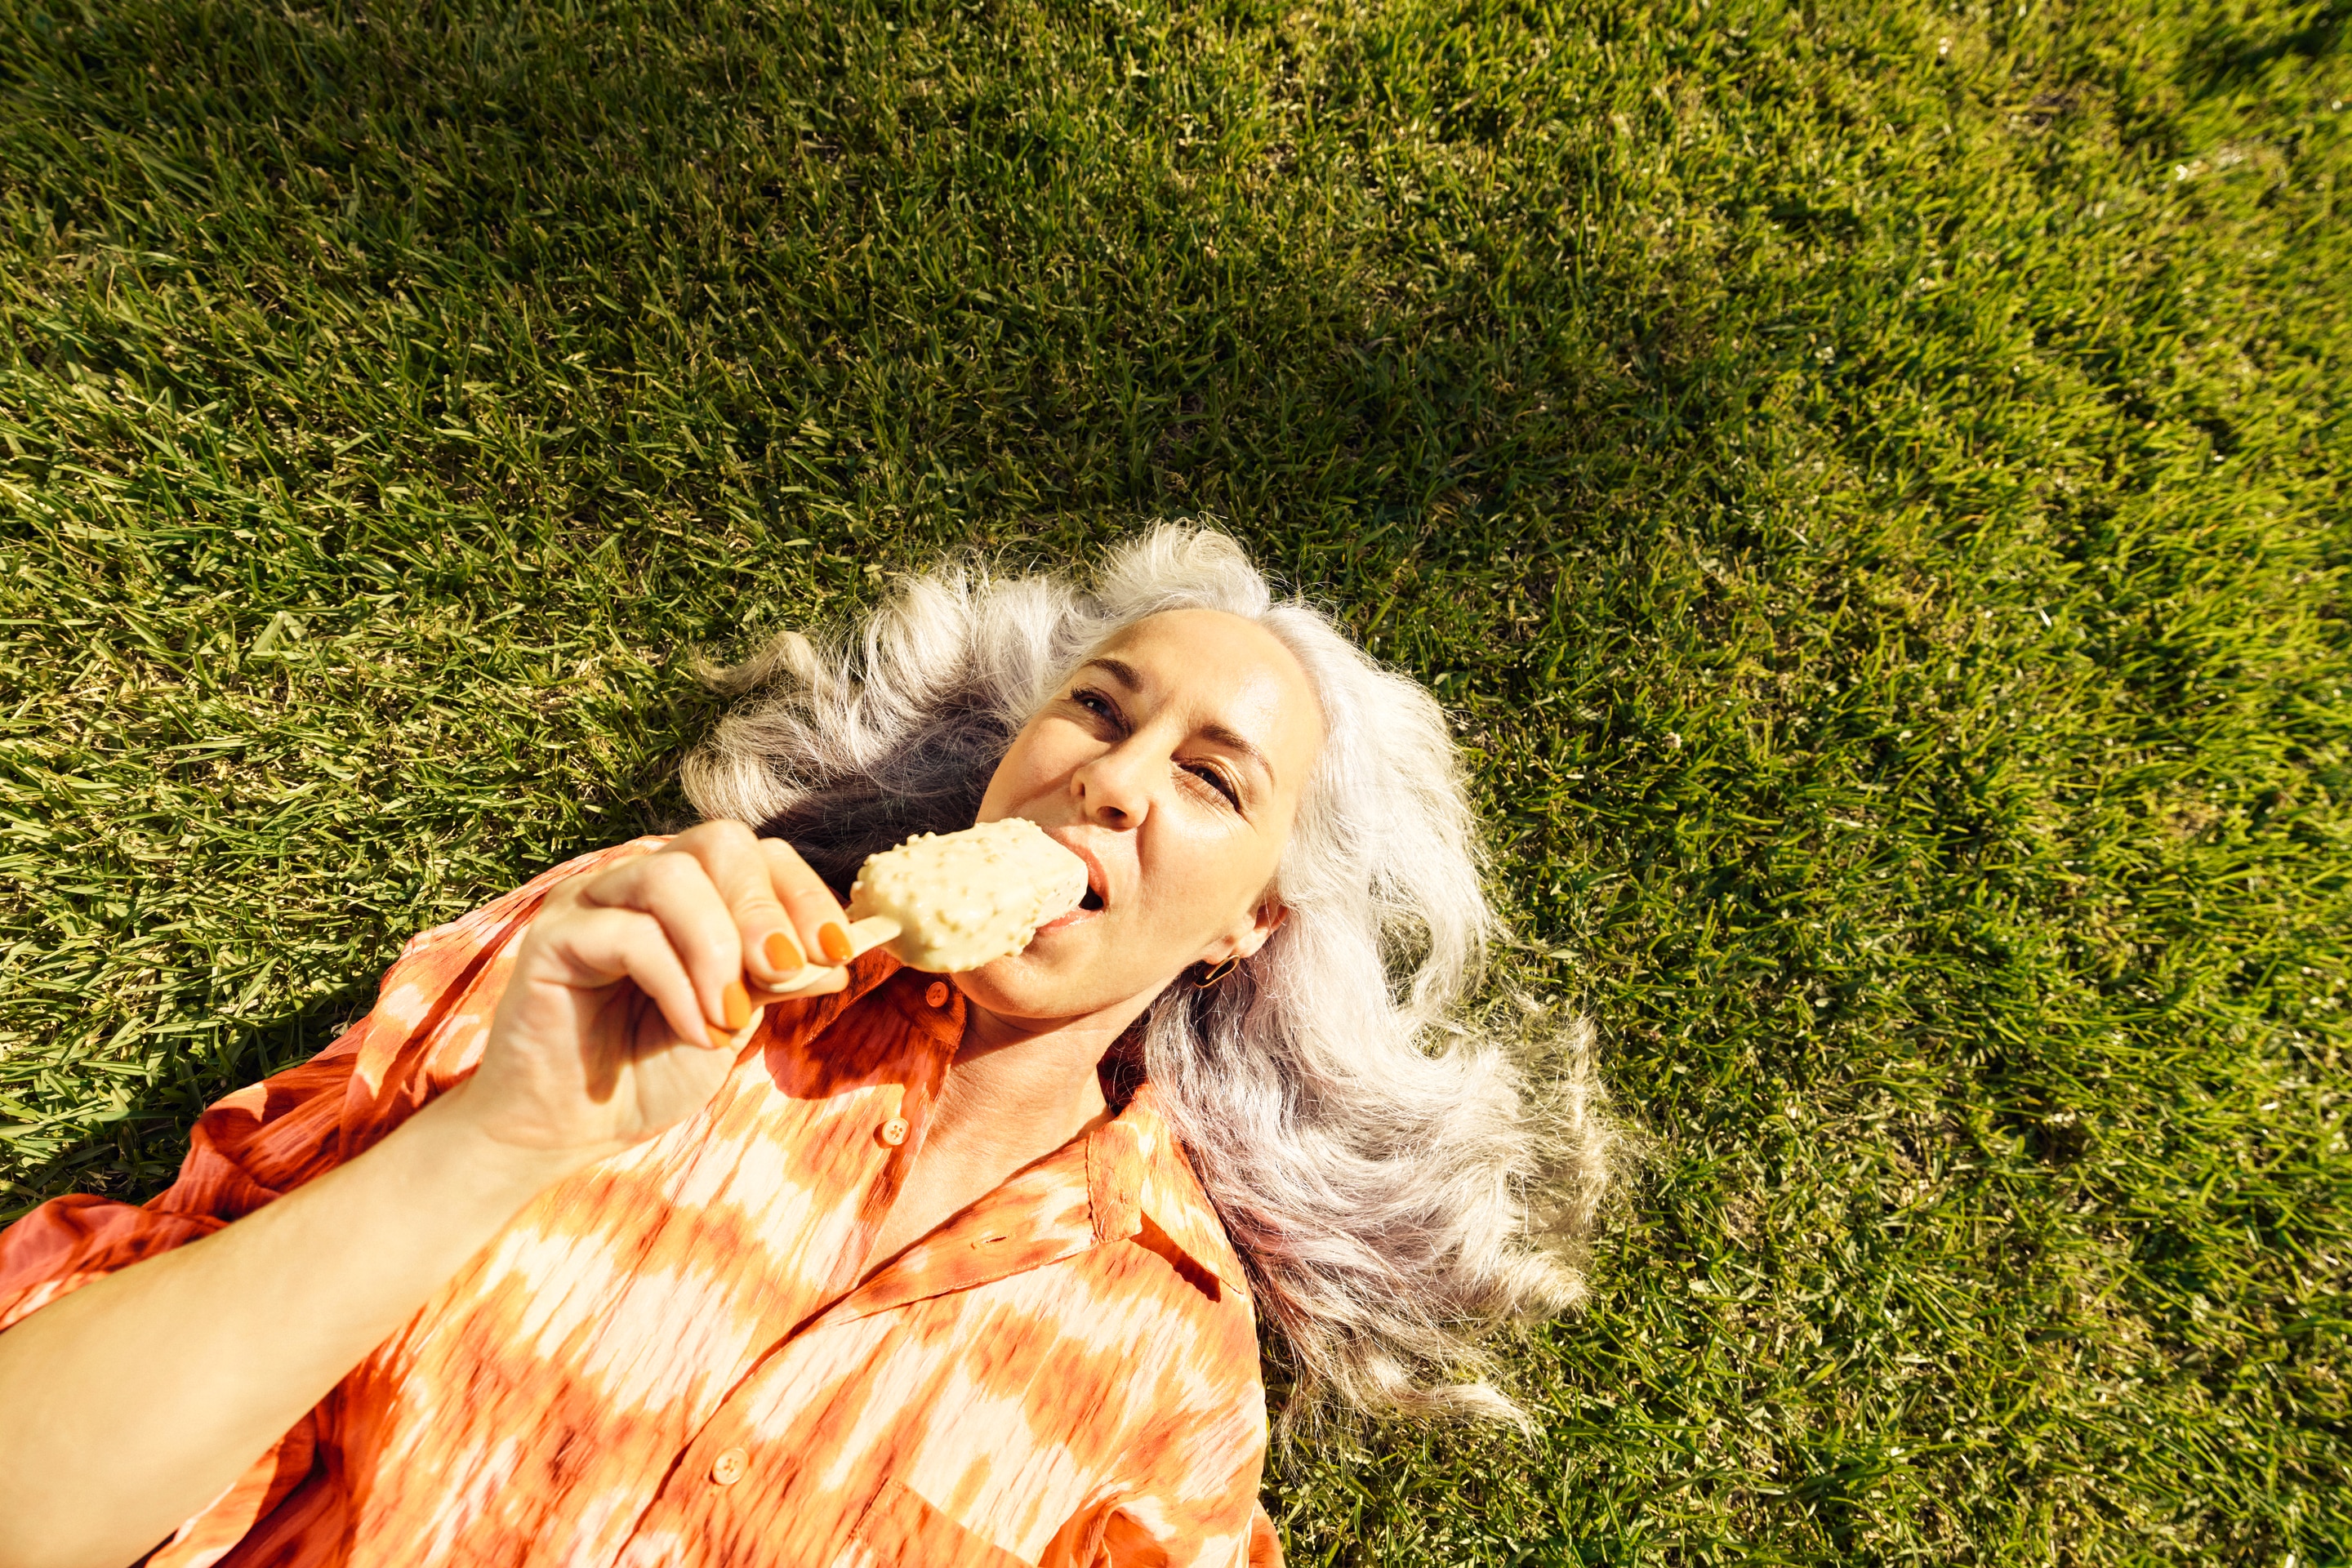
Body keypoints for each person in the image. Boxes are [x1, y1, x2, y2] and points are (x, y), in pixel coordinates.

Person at [0, 528, 1610, 1568]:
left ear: (1243, 927)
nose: (1113, 781)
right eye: (1101, 712)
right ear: (1007, 760)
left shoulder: (1168, 1385)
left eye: (1214, 782)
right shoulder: (641, 962)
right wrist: (497, 1136)